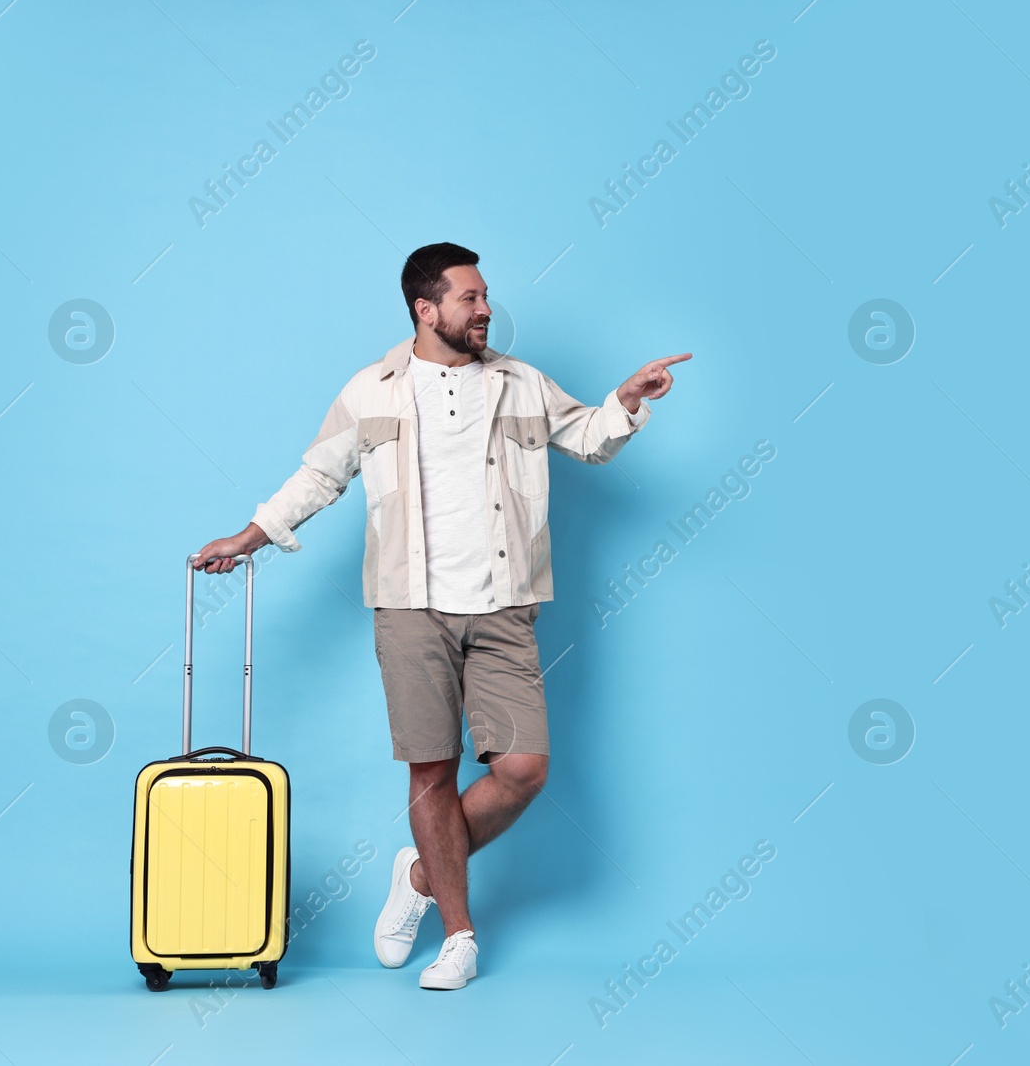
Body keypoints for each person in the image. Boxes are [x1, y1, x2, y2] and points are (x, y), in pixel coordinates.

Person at [193, 242, 689, 989]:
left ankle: (422, 875)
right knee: (433, 770)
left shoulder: (521, 382)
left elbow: (587, 440)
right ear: (426, 310)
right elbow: (319, 474)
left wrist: (626, 400)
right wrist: (249, 535)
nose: (486, 308)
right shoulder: (372, 389)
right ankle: (460, 934)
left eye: (486, 296)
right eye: (470, 298)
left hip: (504, 602)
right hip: (410, 605)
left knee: (523, 770)